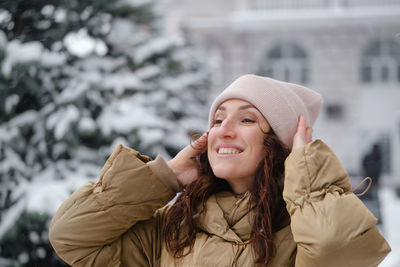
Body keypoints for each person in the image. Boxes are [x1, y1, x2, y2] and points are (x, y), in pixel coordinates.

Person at [49, 74, 391, 266]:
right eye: (217, 119)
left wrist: (305, 170)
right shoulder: (172, 233)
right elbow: (72, 237)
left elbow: (337, 251)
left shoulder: (300, 236)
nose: (223, 130)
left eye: (246, 119)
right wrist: (160, 178)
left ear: (282, 145)